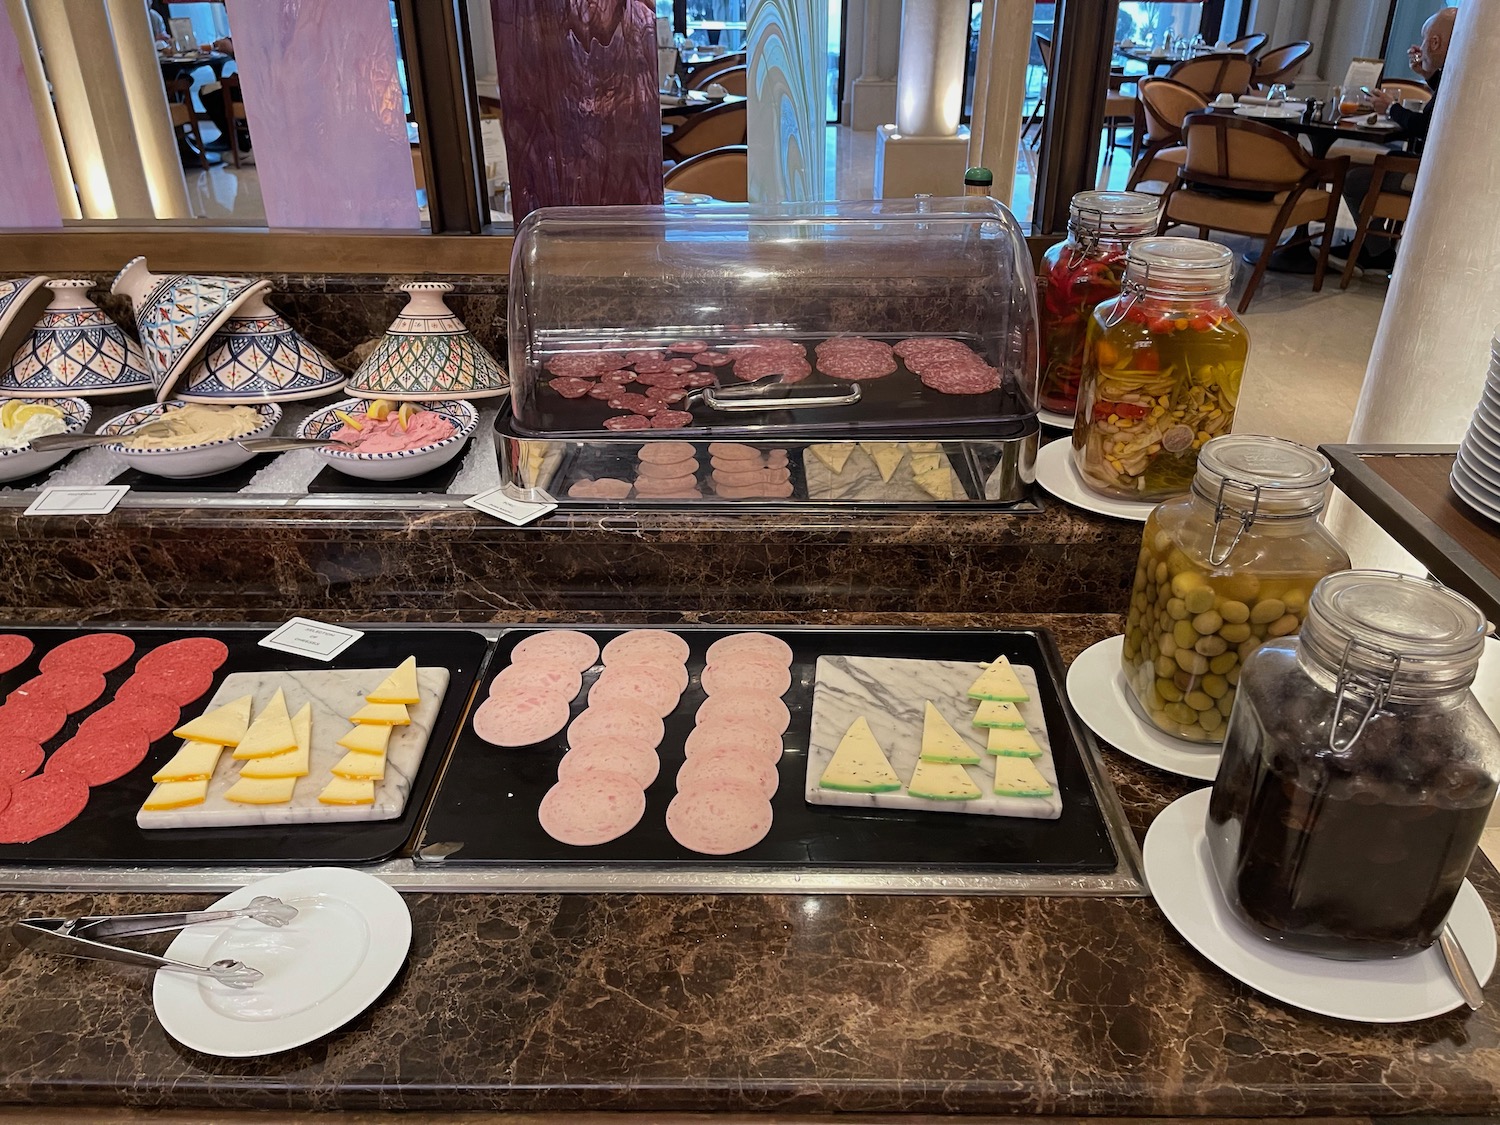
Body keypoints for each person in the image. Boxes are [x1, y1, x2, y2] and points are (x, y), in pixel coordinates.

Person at [1332, 6, 1457, 273]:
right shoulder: (1460, 72)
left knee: (1354, 179)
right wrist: (1428, 75)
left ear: (1434, 42)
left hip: (1428, 175)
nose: (1421, 46)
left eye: (1424, 40)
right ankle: (1371, 247)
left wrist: (1390, 108)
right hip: (1437, 168)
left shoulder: (1456, 74)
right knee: (1379, 164)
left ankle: (1374, 251)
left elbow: (1424, 126)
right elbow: (1441, 104)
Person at [198, 37, 250, 155]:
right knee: (211, 90)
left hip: (251, 89)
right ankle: (233, 136)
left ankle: (232, 138)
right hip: (253, 85)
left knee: (207, 92)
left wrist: (231, 49)